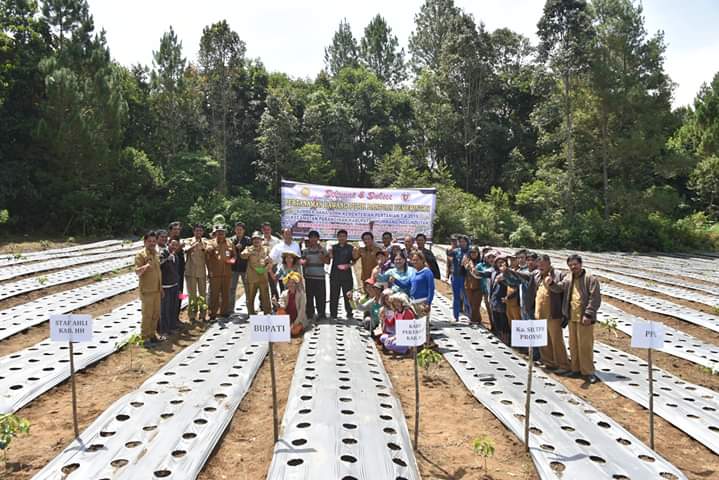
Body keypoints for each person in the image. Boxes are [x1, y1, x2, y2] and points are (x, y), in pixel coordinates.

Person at [561, 254, 601, 384]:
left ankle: (588, 371)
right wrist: (551, 283)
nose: (573, 267)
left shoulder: (590, 279)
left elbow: (595, 298)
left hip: (584, 318)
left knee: (585, 346)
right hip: (572, 317)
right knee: (573, 345)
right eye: (570, 265)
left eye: (575, 264)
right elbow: (560, 288)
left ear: (581, 264)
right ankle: (576, 368)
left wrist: (588, 314)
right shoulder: (568, 278)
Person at [135, 232, 162, 345]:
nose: (152, 243)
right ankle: (145, 337)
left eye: (154, 241)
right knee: (147, 315)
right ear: (145, 242)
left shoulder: (156, 253)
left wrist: (161, 288)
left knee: (156, 314)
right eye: (149, 241)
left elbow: (158, 272)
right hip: (147, 291)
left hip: (157, 289)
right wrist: (145, 266)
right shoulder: (141, 255)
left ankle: (152, 334)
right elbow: (137, 272)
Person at [205, 224, 235, 320]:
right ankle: (212, 313)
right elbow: (207, 252)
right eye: (218, 232)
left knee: (226, 293)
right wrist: (209, 249)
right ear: (215, 233)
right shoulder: (211, 243)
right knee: (214, 294)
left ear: (225, 233)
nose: (221, 234)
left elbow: (234, 256)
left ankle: (224, 312)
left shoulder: (230, 243)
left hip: (227, 273)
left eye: (222, 232)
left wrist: (232, 260)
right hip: (215, 273)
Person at [241, 231, 273, 315]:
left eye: (258, 239)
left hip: (263, 276)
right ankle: (251, 314)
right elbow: (242, 256)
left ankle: (267, 313)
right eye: (254, 239)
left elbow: (271, 261)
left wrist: (266, 268)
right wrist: (247, 253)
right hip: (252, 277)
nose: (256, 241)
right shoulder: (249, 248)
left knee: (265, 297)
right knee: (250, 297)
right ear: (252, 240)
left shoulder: (266, 249)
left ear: (261, 240)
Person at [302, 230, 329, 320]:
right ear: (309, 239)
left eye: (315, 237)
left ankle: (321, 314)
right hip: (309, 277)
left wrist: (323, 258)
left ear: (318, 239)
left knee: (320, 296)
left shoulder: (322, 250)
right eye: (311, 237)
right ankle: (310, 314)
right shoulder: (305, 251)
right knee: (309, 296)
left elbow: (328, 262)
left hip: (320, 277)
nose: (313, 239)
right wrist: (305, 262)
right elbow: (302, 263)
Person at [184, 224, 207, 323]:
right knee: (192, 295)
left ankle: (203, 315)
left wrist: (203, 248)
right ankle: (192, 315)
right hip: (190, 271)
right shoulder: (188, 241)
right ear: (193, 232)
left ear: (203, 232)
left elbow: (208, 251)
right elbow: (185, 250)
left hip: (202, 271)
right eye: (197, 230)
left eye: (200, 231)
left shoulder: (205, 242)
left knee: (202, 294)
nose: (198, 232)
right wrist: (193, 246)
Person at [329, 229, 354, 320]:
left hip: (347, 275)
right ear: (337, 237)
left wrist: (348, 265)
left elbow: (354, 260)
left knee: (348, 295)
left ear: (346, 237)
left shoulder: (351, 248)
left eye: (344, 236)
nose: (342, 238)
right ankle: (333, 314)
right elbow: (330, 257)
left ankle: (349, 312)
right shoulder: (333, 247)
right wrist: (330, 252)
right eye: (340, 236)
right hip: (335, 274)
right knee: (334, 295)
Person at [270, 227, 301, 293]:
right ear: (283, 235)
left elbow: (298, 259)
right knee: (284, 294)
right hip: (283, 276)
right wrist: (269, 268)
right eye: (286, 234)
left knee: (295, 295)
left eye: (290, 234)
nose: (288, 236)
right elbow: (271, 258)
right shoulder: (277, 246)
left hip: (295, 277)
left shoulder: (296, 245)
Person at [159, 238, 180, 335]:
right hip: (166, 286)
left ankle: (172, 326)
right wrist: (167, 259)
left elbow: (177, 270)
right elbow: (159, 265)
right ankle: (164, 329)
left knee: (173, 307)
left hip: (174, 285)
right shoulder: (163, 253)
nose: (174, 247)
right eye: (173, 244)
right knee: (165, 309)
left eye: (176, 245)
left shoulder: (175, 255)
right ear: (168, 244)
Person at [447, 235, 471, 321]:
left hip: (466, 277)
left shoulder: (470, 251)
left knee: (467, 297)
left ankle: (470, 316)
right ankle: (455, 316)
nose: (462, 243)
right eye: (460, 242)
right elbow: (449, 254)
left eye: (464, 241)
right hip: (456, 276)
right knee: (456, 297)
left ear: (467, 242)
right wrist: (451, 247)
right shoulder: (456, 251)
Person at [229, 222, 251, 314]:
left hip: (245, 268)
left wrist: (243, 248)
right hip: (233, 268)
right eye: (237, 229)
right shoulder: (231, 240)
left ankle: (250, 310)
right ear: (235, 230)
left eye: (240, 230)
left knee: (248, 289)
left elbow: (250, 251)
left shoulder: (248, 240)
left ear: (244, 231)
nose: (238, 231)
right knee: (231, 289)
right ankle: (230, 309)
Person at [277, 271, 308, 337]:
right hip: (288, 319)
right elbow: (282, 305)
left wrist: (295, 323)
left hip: (298, 319)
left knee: (294, 331)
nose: (291, 285)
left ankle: (297, 328)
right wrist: (276, 304)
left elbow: (302, 311)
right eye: (289, 283)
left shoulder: (301, 294)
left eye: (293, 283)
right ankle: (285, 326)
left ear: (296, 284)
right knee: (280, 311)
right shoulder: (284, 293)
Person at [463, 246, 484, 325]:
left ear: (478, 253)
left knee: (476, 304)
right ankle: (478, 319)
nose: (473, 254)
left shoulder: (481, 263)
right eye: (471, 252)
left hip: (479, 286)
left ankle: (473, 320)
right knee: (471, 304)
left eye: (474, 252)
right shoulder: (468, 261)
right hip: (468, 285)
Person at [168, 221, 185, 316]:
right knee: (171, 295)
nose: (177, 231)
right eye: (175, 229)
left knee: (181, 293)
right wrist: (179, 248)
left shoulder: (180, 241)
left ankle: (177, 314)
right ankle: (170, 316)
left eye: (178, 229)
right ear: (170, 231)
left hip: (180, 272)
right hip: (171, 273)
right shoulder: (168, 242)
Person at [262, 222, 281, 299]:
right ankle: (262, 303)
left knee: (273, 285)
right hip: (262, 266)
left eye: (268, 229)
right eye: (265, 229)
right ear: (262, 230)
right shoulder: (259, 239)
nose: (266, 231)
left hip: (273, 266)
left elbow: (280, 253)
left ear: (271, 230)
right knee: (262, 285)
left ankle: (275, 302)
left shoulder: (276, 240)